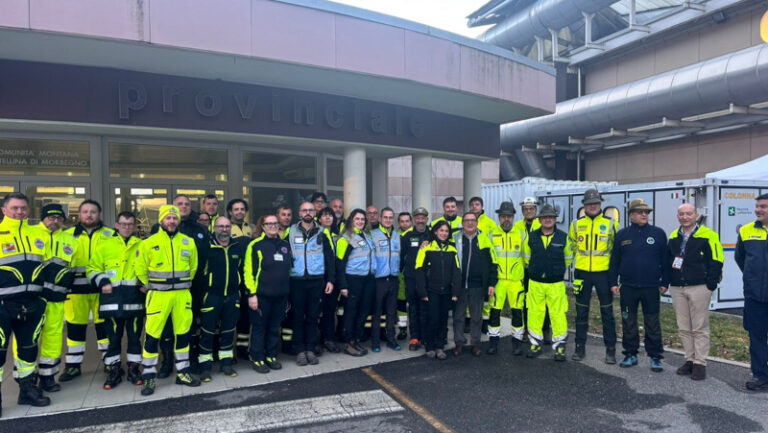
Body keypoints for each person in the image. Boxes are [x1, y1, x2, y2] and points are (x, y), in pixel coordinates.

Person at [136, 205, 200, 396]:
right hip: (158, 296)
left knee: (183, 334)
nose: (171, 221)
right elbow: (140, 269)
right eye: (168, 218)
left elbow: (193, 267)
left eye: (174, 218)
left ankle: (183, 372)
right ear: (162, 220)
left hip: (182, 296)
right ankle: (148, 376)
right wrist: (151, 285)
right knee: (152, 336)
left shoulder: (188, 242)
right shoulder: (148, 243)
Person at [0, 193, 53, 413]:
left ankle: (27, 390)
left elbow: (50, 266)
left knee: (29, 350)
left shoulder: (40, 234)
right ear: (4, 210)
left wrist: (45, 296)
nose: (19, 212)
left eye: (23, 208)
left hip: (32, 303)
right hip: (2, 303)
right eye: (14, 208)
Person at [152, 194, 210, 378]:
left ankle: (190, 360)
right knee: (167, 328)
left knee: (189, 326)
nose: (184, 207)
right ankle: (167, 361)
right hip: (164, 290)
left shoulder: (200, 229)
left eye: (186, 204)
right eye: (179, 204)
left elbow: (204, 259)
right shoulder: (157, 229)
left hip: (193, 288)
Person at [609, 198, 669, 372]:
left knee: (652, 322)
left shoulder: (658, 233)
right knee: (628, 320)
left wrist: (665, 282)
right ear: (631, 215)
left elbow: (665, 261)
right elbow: (614, 261)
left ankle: (655, 356)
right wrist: (613, 282)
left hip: (651, 287)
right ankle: (630, 354)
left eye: (647, 212)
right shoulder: (622, 235)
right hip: (627, 287)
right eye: (640, 212)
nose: (644, 215)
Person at [87, 211, 144, 389]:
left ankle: (134, 368)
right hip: (111, 302)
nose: (127, 227)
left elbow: (149, 267)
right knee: (113, 339)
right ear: (117, 225)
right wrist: (102, 281)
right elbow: (92, 268)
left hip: (135, 301)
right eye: (123, 224)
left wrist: (145, 283)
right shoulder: (105, 245)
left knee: (135, 338)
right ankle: (114, 370)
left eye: (130, 224)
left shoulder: (142, 245)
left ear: (135, 227)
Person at [667, 203, 723, 381]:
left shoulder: (709, 235)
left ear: (696, 216)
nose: (685, 217)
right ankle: (689, 360)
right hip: (677, 287)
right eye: (681, 214)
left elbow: (717, 260)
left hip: (699, 287)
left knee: (699, 327)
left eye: (688, 214)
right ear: (678, 216)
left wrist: (710, 285)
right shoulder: (673, 237)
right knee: (684, 327)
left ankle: (700, 363)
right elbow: (668, 260)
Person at [60, 200, 114, 382]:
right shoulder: (66, 234)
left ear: (99, 214)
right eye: (85, 212)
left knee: (104, 328)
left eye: (93, 212)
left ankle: (109, 362)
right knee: (75, 329)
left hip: (103, 291)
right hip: (75, 291)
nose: (89, 215)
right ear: (80, 214)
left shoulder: (111, 234)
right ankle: (73, 366)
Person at [569, 189, 618, 364]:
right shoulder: (575, 224)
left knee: (607, 313)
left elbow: (615, 251)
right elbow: (571, 248)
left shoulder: (611, 223)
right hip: (582, 273)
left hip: (603, 274)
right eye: (589, 204)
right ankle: (579, 347)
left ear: (600, 204)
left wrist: (614, 275)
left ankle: (610, 350)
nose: (593, 206)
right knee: (581, 312)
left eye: (596, 203)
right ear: (584, 205)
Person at [32, 204, 76, 392]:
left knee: (53, 337)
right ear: (43, 218)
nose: (55, 221)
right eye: (50, 217)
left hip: (56, 299)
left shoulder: (70, 240)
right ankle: (26, 381)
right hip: (32, 298)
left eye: (58, 217)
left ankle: (48, 377)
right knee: (28, 339)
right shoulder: (31, 234)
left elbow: (71, 268)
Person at [198, 217, 248, 381]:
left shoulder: (236, 246)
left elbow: (242, 270)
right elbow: (198, 273)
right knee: (207, 332)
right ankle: (205, 367)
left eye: (227, 226)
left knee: (228, 331)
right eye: (221, 226)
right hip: (212, 296)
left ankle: (226, 363)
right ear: (214, 227)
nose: (224, 229)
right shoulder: (206, 246)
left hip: (233, 295)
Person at [287, 201, 335, 365]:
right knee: (298, 316)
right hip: (296, 281)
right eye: (304, 210)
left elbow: (330, 258)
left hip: (316, 281)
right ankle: (300, 350)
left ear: (315, 213)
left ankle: (310, 348)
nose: (308, 213)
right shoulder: (290, 231)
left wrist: (330, 280)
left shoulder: (323, 232)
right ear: (299, 213)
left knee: (313, 316)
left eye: (310, 210)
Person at [523, 204, 573, 361]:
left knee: (557, 314)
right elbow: (526, 258)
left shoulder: (563, 237)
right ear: (540, 220)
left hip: (555, 283)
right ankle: (535, 344)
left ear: (555, 219)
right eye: (544, 217)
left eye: (550, 217)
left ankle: (559, 348)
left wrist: (555, 271)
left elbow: (568, 258)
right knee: (534, 313)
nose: (547, 220)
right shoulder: (531, 237)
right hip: (535, 282)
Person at [245, 215, 292, 373]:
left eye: (275, 223)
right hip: (261, 296)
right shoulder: (255, 245)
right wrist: (252, 294)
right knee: (259, 327)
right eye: (268, 224)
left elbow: (289, 268)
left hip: (280, 295)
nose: (272, 226)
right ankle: (257, 357)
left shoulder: (285, 245)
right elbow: (248, 272)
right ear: (262, 226)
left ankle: (271, 355)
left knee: (274, 327)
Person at [735, 193, 768, 391]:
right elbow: (741, 259)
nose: (758, 210)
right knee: (756, 337)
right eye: (757, 206)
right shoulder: (746, 231)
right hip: (755, 296)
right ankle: (761, 375)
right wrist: (753, 279)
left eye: (763, 206)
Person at [415, 220, 461, 360]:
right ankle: (430, 346)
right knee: (432, 319)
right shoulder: (426, 248)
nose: (444, 233)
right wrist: (422, 292)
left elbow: (457, 272)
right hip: (431, 291)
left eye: (446, 231)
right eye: (441, 230)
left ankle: (440, 346)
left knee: (443, 320)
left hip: (446, 292)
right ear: (435, 232)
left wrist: (455, 292)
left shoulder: (452, 249)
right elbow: (419, 270)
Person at [453, 212, 497, 357]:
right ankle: (459, 344)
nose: (470, 223)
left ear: (477, 223)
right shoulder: (455, 237)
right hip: (459, 286)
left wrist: (491, 283)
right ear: (462, 223)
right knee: (458, 317)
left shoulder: (485, 238)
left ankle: (475, 344)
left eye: (473, 220)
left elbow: (493, 263)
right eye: (467, 220)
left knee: (476, 317)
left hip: (477, 286)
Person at [336, 209, 376, 356]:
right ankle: (348, 342)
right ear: (351, 220)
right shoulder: (345, 239)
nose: (360, 221)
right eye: (357, 219)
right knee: (351, 312)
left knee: (363, 312)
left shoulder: (366, 236)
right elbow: (340, 264)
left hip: (367, 279)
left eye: (362, 219)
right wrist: (343, 285)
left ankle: (355, 339)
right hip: (353, 280)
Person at [488, 202, 526, 355]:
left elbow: (528, 256)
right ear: (499, 217)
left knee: (517, 312)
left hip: (516, 281)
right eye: (503, 216)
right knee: (494, 312)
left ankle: (516, 344)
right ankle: (493, 343)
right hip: (498, 281)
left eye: (509, 216)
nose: (506, 219)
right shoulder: (491, 234)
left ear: (513, 217)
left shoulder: (521, 233)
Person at [370, 207, 402, 352]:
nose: (388, 220)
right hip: (379, 279)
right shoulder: (373, 235)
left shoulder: (396, 235)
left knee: (391, 312)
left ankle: (391, 339)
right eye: (385, 217)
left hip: (393, 278)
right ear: (381, 218)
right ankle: (375, 341)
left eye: (390, 217)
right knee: (377, 312)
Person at [400, 207, 431, 350]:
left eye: (423, 217)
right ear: (414, 220)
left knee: (426, 309)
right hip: (411, 278)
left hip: (427, 279)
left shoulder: (432, 235)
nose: (420, 220)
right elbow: (401, 257)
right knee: (413, 308)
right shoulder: (407, 236)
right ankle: (414, 338)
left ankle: (425, 336)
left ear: (427, 219)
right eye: (417, 218)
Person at [317, 207, 342, 352]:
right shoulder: (317, 233)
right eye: (324, 216)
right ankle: (315, 341)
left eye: (330, 216)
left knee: (330, 310)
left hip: (333, 278)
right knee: (315, 311)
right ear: (319, 218)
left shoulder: (337, 234)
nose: (328, 218)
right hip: (319, 276)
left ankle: (329, 339)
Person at [395, 212, 412, 340]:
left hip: (412, 276)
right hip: (399, 275)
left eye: (407, 221)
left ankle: (415, 331)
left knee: (413, 304)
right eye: (402, 221)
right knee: (401, 304)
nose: (405, 223)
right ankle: (402, 329)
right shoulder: (395, 235)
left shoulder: (415, 234)